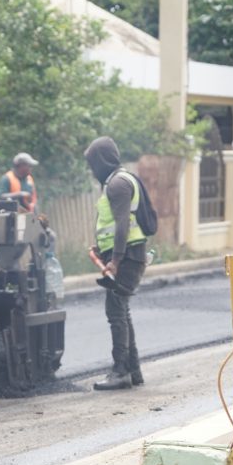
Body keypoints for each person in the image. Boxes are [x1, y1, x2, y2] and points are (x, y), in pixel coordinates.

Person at [84, 136, 146, 390]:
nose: (92, 169)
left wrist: (116, 260)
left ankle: (120, 371)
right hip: (128, 253)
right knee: (121, 309)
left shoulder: (118, 184)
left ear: (102, 160)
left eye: (93, 163)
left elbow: (122, 223)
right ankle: (133, 371)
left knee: (116, 310)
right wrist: (103, 248)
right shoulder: (118, 180)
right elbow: (115, 224)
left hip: (128, 256)